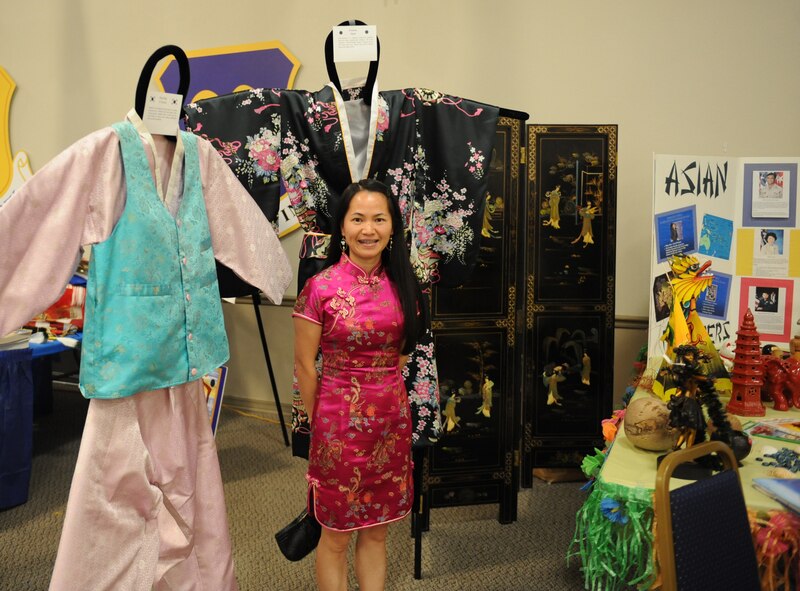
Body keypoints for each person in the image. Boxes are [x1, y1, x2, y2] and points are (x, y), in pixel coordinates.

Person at [292, 179, 425, 591]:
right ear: (342, 227)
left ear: (392, 226)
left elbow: (400, 357)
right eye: (358, 219)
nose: (369, 230)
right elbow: (305, 366)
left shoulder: (404, 286)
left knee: (377, 531)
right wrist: (320, 425)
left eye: (379, 219)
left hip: (390, 426)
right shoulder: (320, 287)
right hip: (337, 430)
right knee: (335, 535)